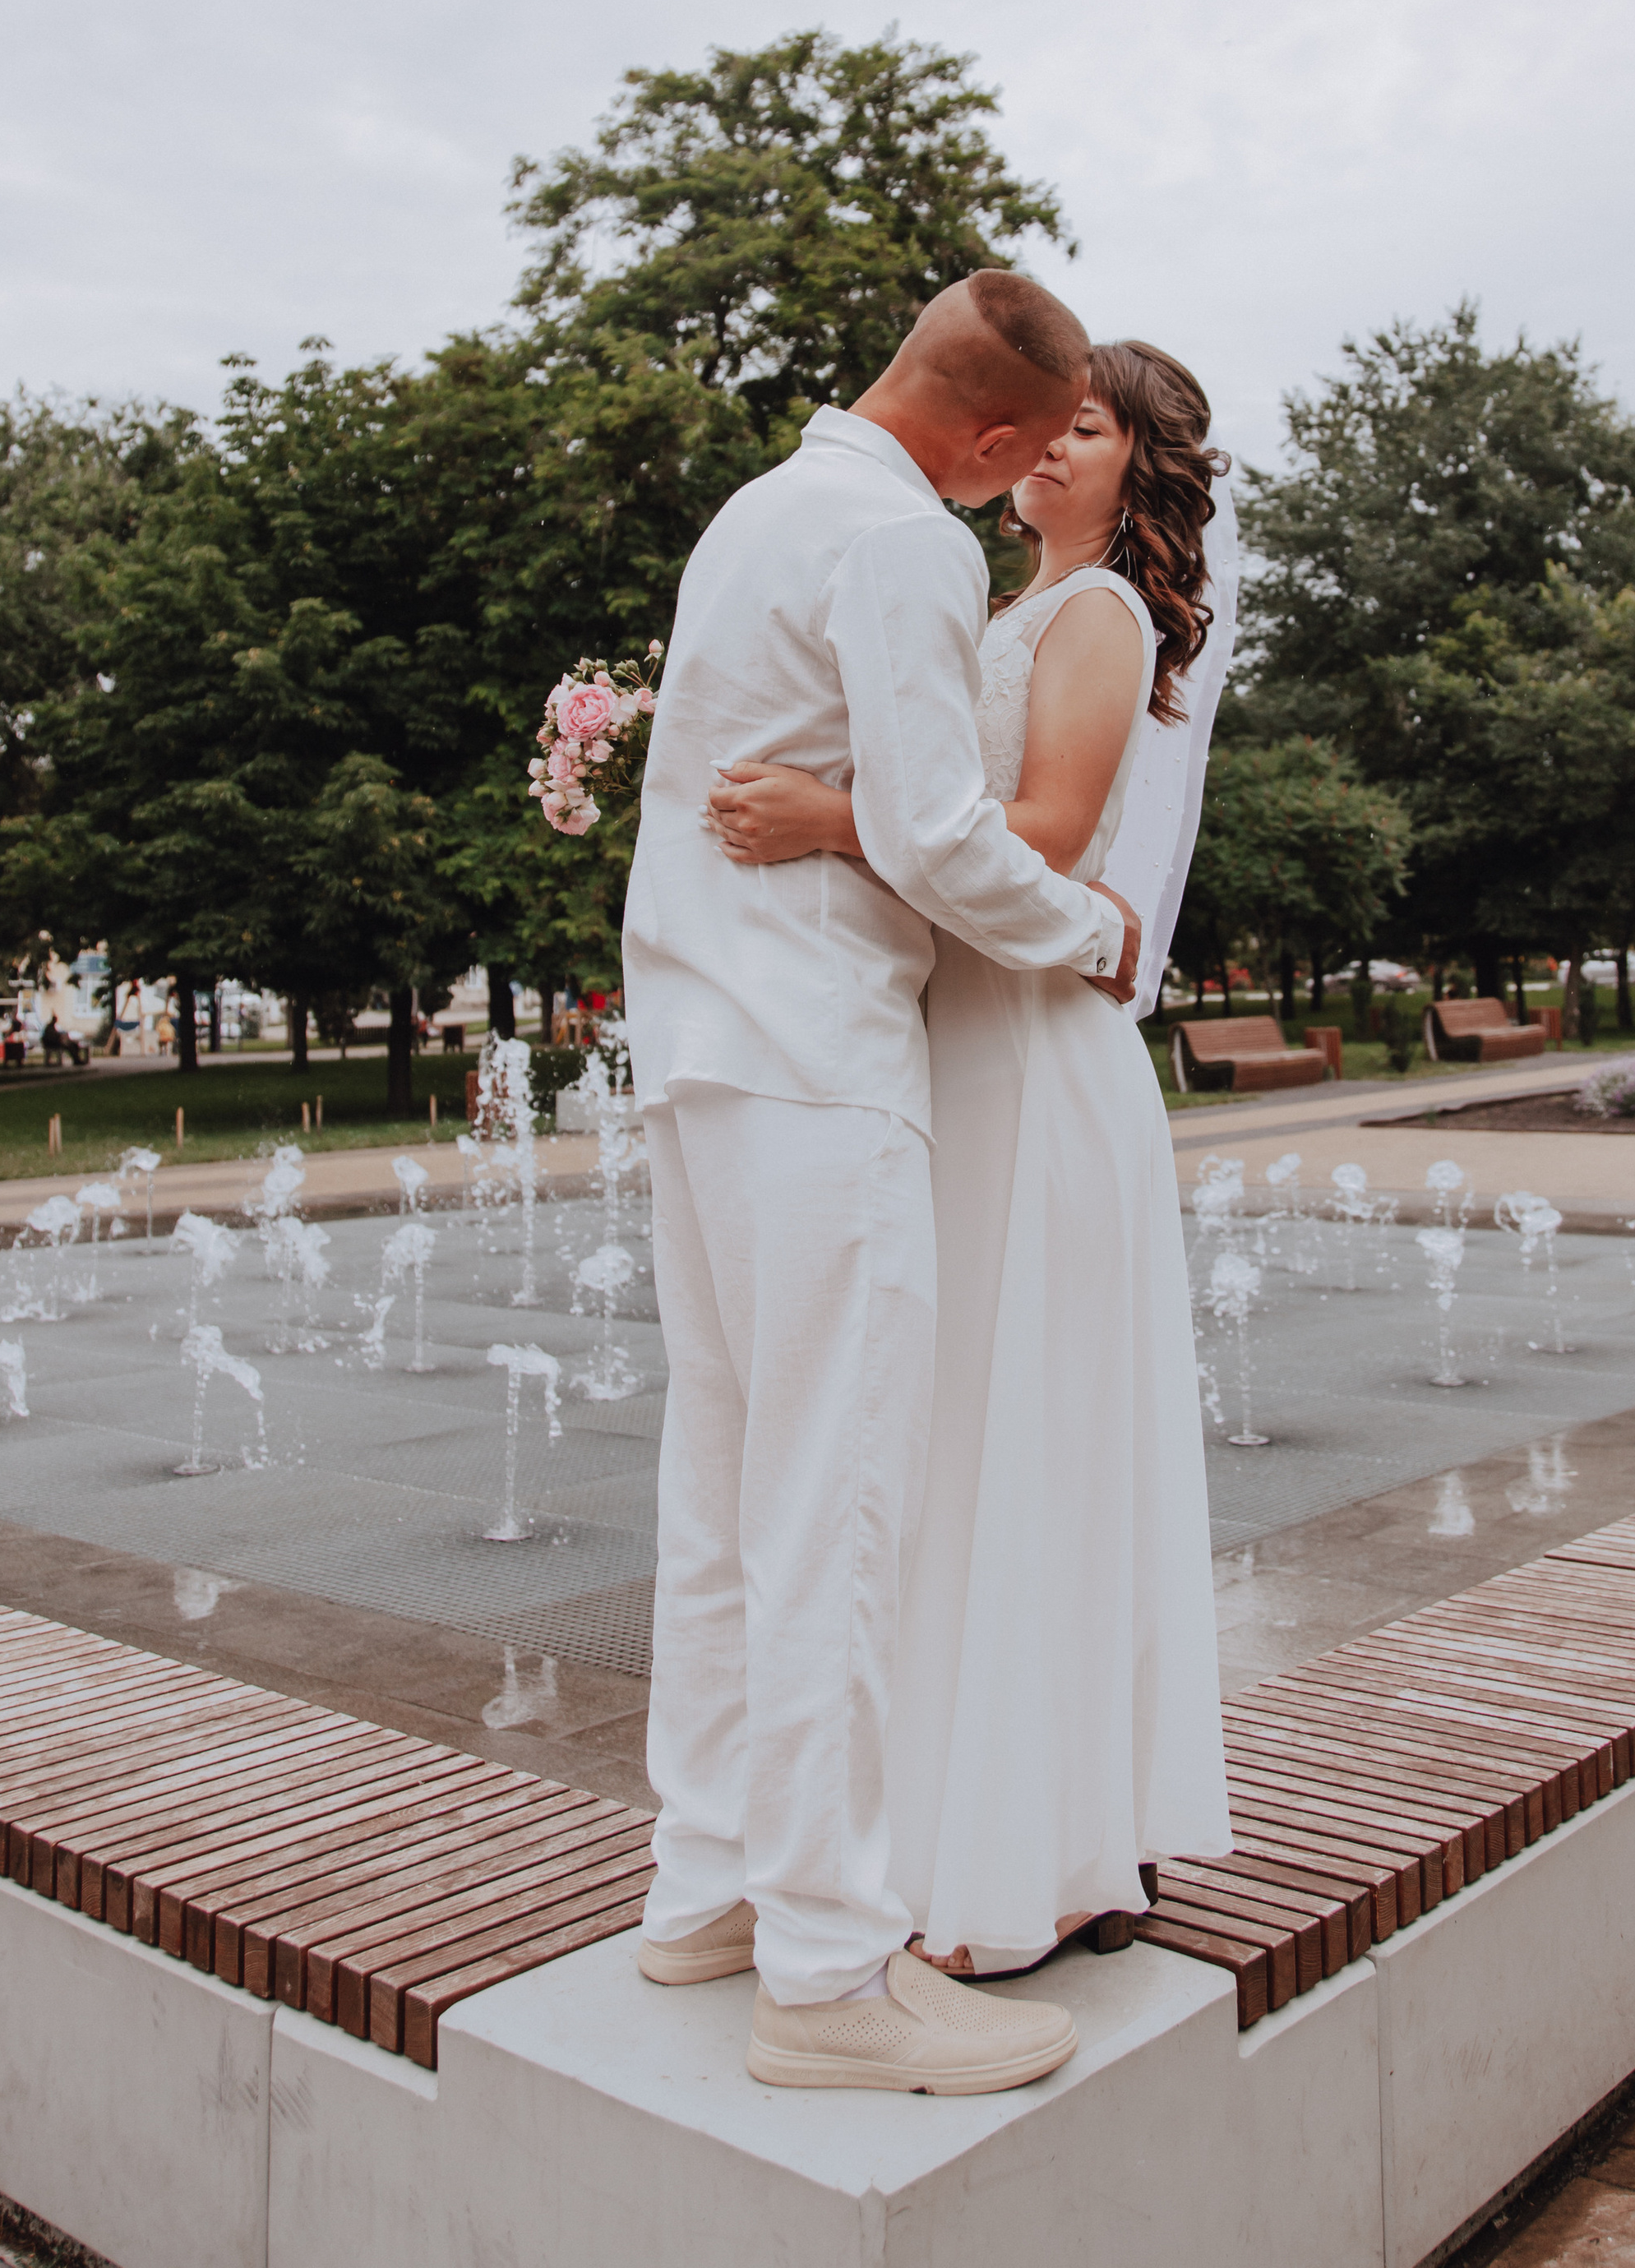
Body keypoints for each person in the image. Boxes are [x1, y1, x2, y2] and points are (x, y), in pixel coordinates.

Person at [621, 270, 1143, 2097]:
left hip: (690, 1059)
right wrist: (1087, 927)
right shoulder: (904, 542)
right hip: (823, 1067)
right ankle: (831, 1973)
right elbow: (931, 830)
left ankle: (701, 1892)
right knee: (836, 1508)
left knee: (719, 1493)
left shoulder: (754, 514)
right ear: (993, 437)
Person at [709, 340, 1234, 1975]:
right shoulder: (1000, 611)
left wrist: (829, 819)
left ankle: (1054, 1867)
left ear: (1137, 462)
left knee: (1031, 1452)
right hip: (955, 1059)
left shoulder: (1096, 618)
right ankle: (1002, 1828)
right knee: (961, 1456)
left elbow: (1052, 836)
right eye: (1042, 426)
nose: (1043, 453)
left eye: (1083, 430)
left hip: (1030, 1068)